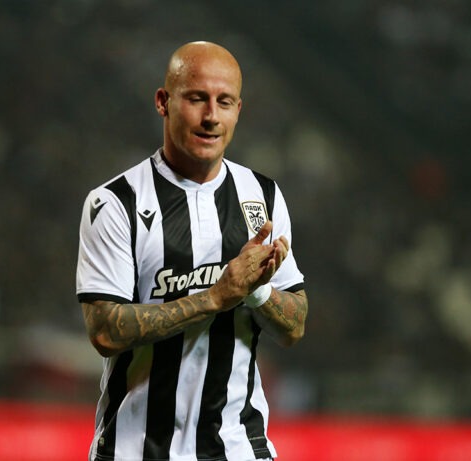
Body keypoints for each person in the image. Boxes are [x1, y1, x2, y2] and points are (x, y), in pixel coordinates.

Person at [75, 41, 308, 461]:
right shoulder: (116, 202)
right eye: (197, 98)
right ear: (163, 102)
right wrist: (216, 297)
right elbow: (106, 331)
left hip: (239, 448)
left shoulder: (262, 196)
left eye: (225, 102)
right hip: (135, 450)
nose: (211, 116)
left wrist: (256, 291)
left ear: (239, 110)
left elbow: (294, 327)